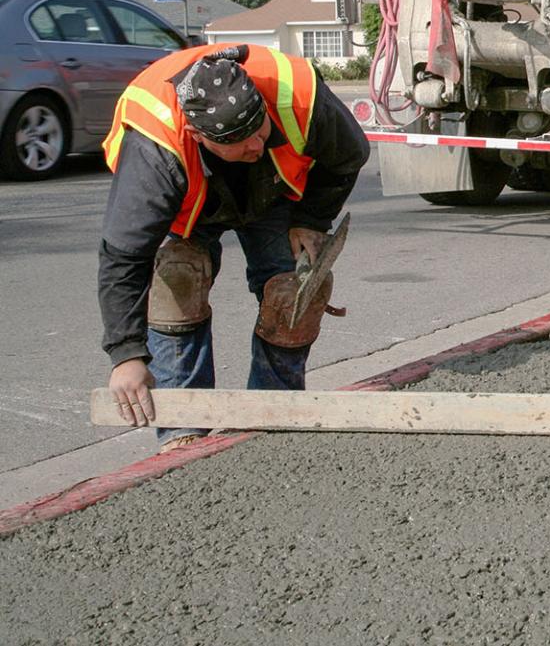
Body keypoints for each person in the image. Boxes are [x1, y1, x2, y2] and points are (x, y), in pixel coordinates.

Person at [99, 44, 369, 451]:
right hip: (196, 196)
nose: (257, 146)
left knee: (294, 292)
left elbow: (350, 154)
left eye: (260, 132)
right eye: (241, 144)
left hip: (274, 193)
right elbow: (124, 256)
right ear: (198, 135)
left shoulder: (297, 95)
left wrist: (311, 220)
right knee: (178, 281)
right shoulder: (155, 151)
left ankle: (270, 417)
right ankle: (182, 432)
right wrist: (126, 356)